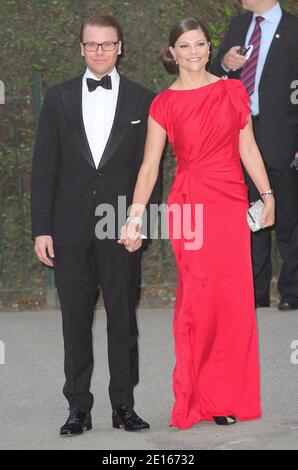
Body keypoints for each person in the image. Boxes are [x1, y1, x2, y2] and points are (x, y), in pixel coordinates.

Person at [119, 17, 275, 430]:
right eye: (185, 46)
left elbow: (248, 147)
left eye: (201, 44)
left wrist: (267, 194)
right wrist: (135, 217)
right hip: (190, 205)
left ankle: (224, 397)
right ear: (172, 53)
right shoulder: (164, 103)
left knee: (232, 301)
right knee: (199, 302)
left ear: (210, 47)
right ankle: (195, 395)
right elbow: (150, 168)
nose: (194, 52)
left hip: (229, 201)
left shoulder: (232, 89)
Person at [31, 13, 160, 436]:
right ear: (81, 48)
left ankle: (124, 405)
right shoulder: (58, 97)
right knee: (75, 321)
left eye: (107, 44)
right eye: (91, 44)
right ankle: (78, 408)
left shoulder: (144, 99)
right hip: (68, 228)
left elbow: (152, 168)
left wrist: (142, 222)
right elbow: (43, 167)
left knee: (123, 318)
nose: (99, 51)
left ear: (120, 46)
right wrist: (41, 228)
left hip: (121, 226)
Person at [212, 0, 298, 310]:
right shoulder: (238, 25)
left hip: (285, 139)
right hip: (240, 133)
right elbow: (212, 73)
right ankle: (254, 294)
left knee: (289, 218)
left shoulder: (294, 29)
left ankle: (291, 292)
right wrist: (225, 64)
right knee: (250, 217)